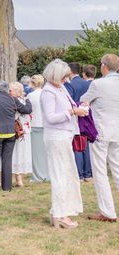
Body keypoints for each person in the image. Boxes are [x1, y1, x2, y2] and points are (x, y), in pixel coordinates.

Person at [41, 59, 86, 229]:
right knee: (60, 175)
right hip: (56, 137)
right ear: (55, 75)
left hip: (65, 136)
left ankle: (59, 211)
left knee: (67, 174)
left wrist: (80, 108)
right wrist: (72, 111)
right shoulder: (48, 92)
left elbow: (69, 108)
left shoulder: (60, 89)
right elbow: (51, 117)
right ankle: (60, 214)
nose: (67, 79)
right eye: (64, 76)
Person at [81, 54, 119, 223]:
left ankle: (108, 212)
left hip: (101, 132)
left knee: (100, 171)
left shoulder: (98, 83)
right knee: (117, 169)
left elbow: (83, 101)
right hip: (117, 132)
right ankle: (108, 211)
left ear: (104, 66)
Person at [0, 80, 32, 193]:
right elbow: (27, 110)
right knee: (7, 160)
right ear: (7, 89)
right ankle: (7, 187)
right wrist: (28, 100)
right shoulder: (13, 99)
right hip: (10, 133)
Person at [66, 62, 94, 181]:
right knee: (86, 145)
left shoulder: (70, 84)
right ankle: (88, 173)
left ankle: (79, 174)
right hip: (87, 116)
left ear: (70, 71)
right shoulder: (88, 84)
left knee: (77, 144)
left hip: (76, 116)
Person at [27, 75, 49, 182]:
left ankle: (38, 175)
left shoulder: (31, 96)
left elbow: (28, 111)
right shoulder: (46, 94)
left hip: (35, 124)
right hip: (46, 125)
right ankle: (47, 173)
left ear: (33, 83)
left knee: (36, 153)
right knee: (45, 152)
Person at [10, 82, 32, 187]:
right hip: (24, 131)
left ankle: (18, 180)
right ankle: (19, 180)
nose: (9, 92)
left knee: (16, 153)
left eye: (11, 90)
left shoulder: (13, 101)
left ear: (17, 91)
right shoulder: (25, 100)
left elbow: (27, 111)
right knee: (21, 154)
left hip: (18, 131)